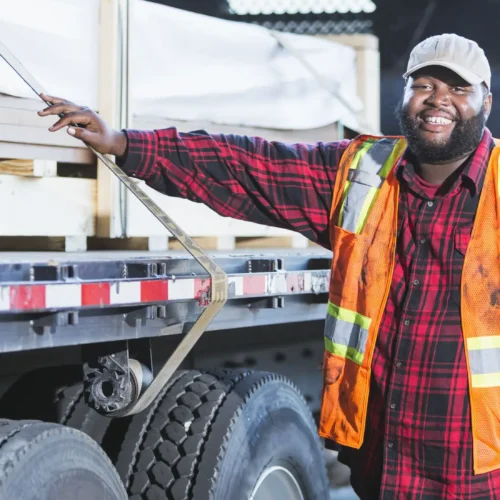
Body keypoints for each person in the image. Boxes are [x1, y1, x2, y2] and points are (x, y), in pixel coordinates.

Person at [39, 33, 500, 499]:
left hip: (477, 466)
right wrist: (124, 143)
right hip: (384, 459)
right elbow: (245, 164)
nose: (438, 99)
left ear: (485, 101)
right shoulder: (363, 174)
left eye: (458, 88)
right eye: (424, 84)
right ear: (405, 94)